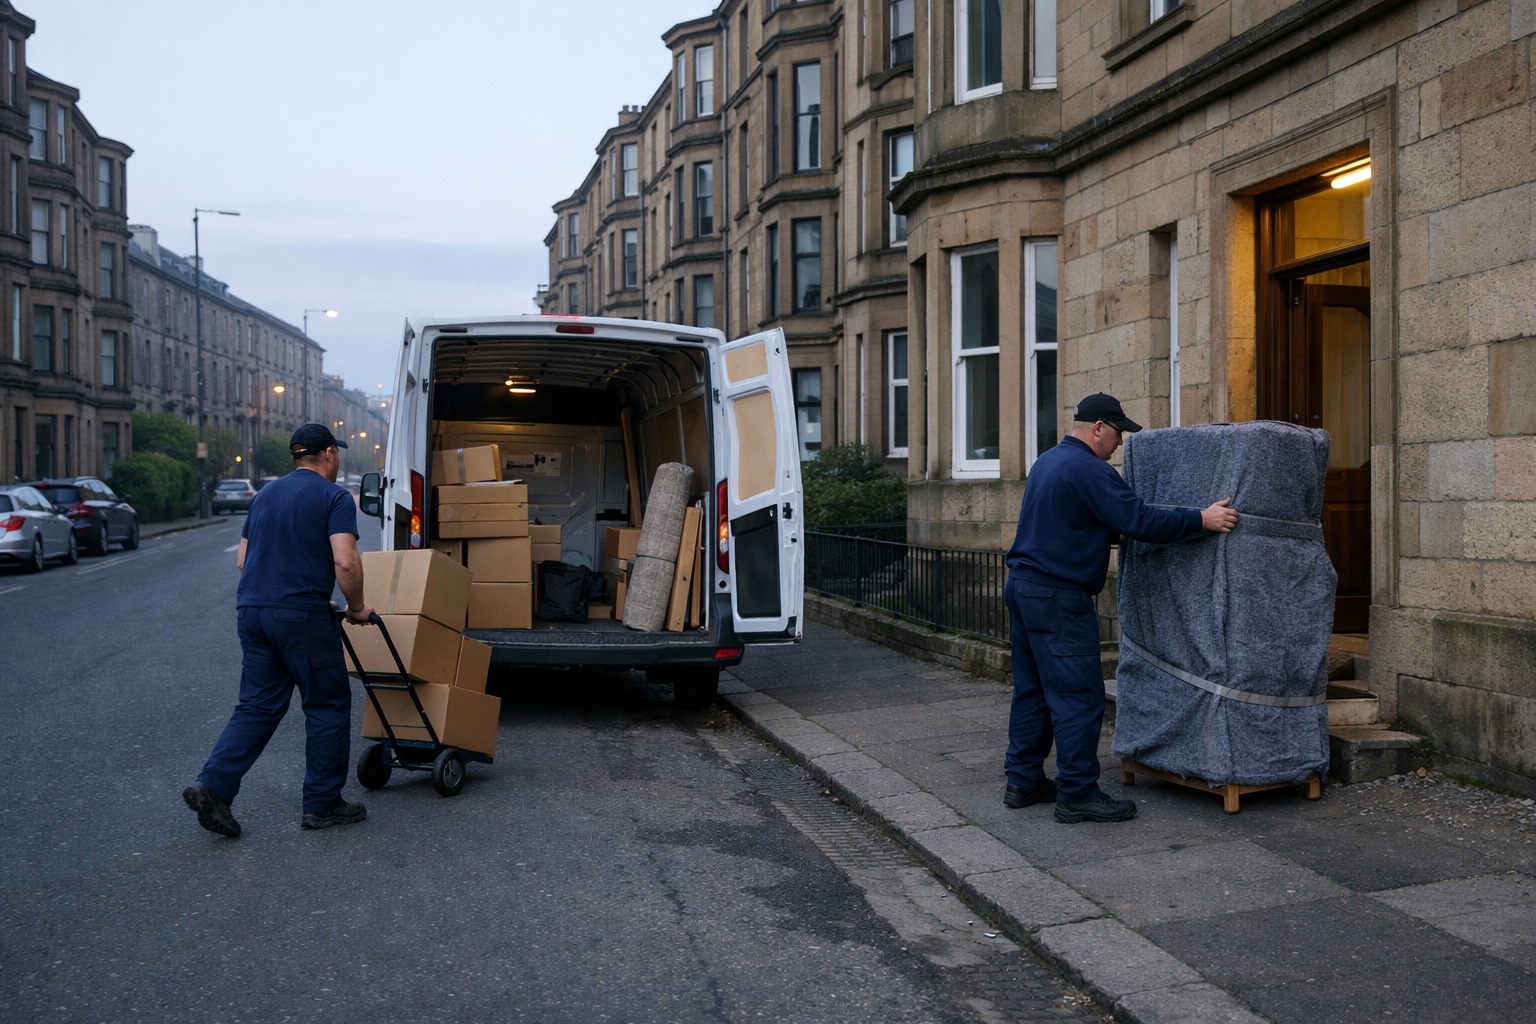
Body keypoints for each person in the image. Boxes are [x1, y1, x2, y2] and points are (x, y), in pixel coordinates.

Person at [1003, 394, 1238, 823]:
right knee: (1079, 697)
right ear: (1097, 428)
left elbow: (1068, 522)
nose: (1119, 445)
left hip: (1023, 588)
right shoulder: (1091, 470)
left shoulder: (1048, 462)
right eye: (1117, 435)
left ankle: (1022, 781)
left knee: (1033, 691)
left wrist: (1108, 535)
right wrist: (1201, 519)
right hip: (1058, 597)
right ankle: (1076, 795)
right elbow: (1140, 520)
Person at [183, 423, 376, 837]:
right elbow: (345, 562)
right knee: (326, 703)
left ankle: (213, 785)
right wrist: (356, 608)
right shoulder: (335, 496)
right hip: (298, 617)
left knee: (256, 706)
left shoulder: (266, 493)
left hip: (253, 611)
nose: (337, 458)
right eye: (336, 453)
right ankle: (323, 804)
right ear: (327, 454)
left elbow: (242, 560)